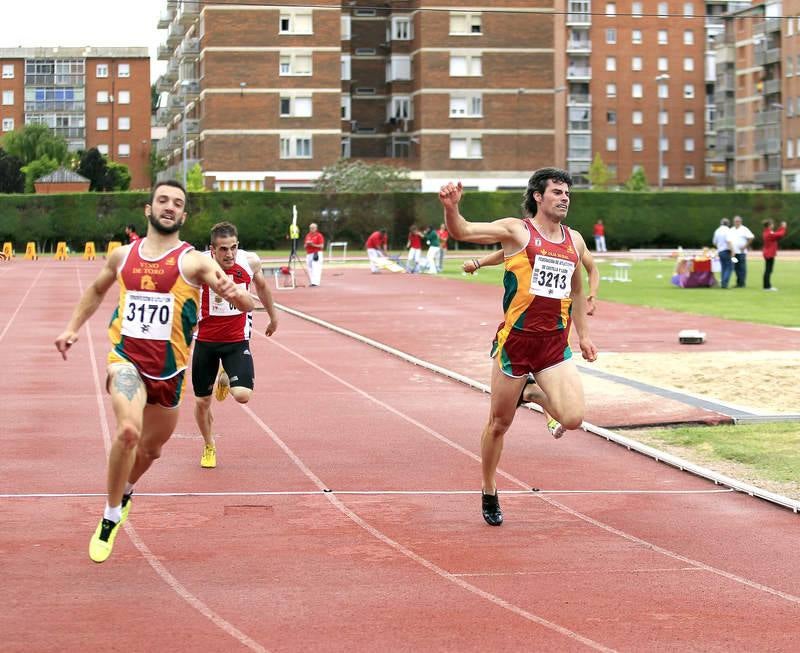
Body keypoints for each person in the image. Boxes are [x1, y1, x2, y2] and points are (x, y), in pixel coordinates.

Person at [55, 180, 255, 563]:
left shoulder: (195, 261)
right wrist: (72, 328)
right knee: (128, 431)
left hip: (169, 373)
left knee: (152, 449)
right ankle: (111, 515)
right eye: (162, 200)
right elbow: (97, 291)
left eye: (177, 203)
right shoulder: (122, 257)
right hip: (126, 361)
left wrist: (239, 294)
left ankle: (126, 493)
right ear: (149, 209)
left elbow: (238, 295)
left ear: (183, 215)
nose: (169, 206)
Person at [439, 167, 597, 527]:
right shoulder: (516, 231)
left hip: (554, 346)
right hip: (516, 343)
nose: (565, 198)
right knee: (499, 423)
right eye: (557, 192)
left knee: (572, 418)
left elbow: (574, 290)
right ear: (538, 196)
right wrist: (451, 207)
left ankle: (533, 393)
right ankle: (489, 489)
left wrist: (584, 335)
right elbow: (462, 230)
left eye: (567, 193)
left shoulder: (575, 240)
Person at [462, 240, 600, 437]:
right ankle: (541, 405)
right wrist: (479, 263)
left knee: (550, 370)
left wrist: (592, 295)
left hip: (559, 322)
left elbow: (592, 268)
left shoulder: (572, 241)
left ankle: (532, 395)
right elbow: (505, 252)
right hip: (528, 319)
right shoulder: (529, 238)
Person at [193, 221, 278, 469]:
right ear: (212, 249)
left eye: (233, 247)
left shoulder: (249, 262)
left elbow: (262, 288)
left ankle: (226, 377)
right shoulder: (199, 264)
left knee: (242, 396)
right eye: (223, 249)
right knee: (202, 403)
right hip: (205, 342)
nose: (229, 254)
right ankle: (209, 445)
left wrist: (273, 317)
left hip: (236, 340)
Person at [728, 215, 754, 288]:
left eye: (738, 221)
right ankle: (738, 283)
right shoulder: (731, 229)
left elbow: (751, 237)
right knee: (736, 267)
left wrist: (745, 246)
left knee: (742, 268)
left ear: (741, 222)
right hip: (734, 253)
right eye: (735, 221)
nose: (737, 222)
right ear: (733, 222)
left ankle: (742, 283)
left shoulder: (744, 229)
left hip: (742, 253)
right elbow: (729, 240)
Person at [761, 219, 787, 291]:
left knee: (768, 270)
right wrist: (783, 227)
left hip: (768, 253)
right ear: (769, 225)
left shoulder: (767, 232)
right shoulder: (769, 233)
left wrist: (781, 227)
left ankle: (766, 286)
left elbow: (776, 233)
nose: (773, 225)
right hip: (769, 254)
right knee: (768, 270)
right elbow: (780, 234)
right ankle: (767, 287)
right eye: (772, 224)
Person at [711, 218, 732, 288]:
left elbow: (714, 242)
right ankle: (724, 283)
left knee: (723, 267)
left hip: (720, 251)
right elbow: (729, 241)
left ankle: (723, 283)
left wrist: (719, 246)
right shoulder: (728, 230)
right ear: (728, 224)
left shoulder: (717, 230)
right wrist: (732, 251)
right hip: (726, 250)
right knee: (729, 267)